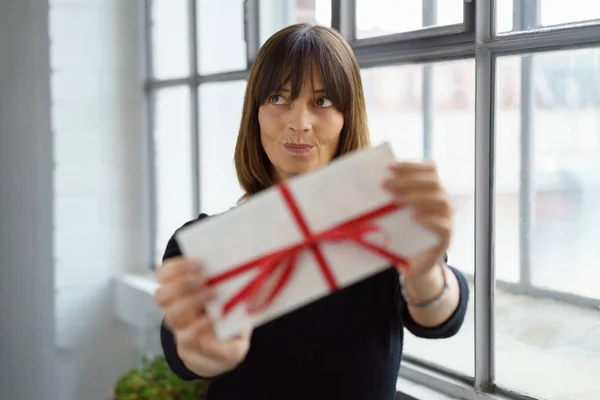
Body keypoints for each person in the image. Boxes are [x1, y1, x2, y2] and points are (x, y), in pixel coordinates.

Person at [153, 23, 470, 400]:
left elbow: (439, 320)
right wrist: (205, 351)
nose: (299, 123)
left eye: (322, 102)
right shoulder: (208, 244)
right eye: (278, 98)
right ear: (255, 112)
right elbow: (183, 352)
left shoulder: (380, 224)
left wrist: (425, 273)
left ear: (347, 116)